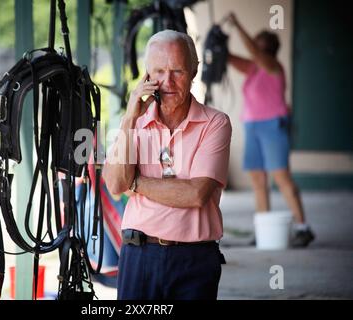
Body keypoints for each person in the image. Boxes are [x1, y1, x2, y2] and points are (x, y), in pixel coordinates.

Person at [103, 30, 232, 300]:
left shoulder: (215, 123)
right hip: (139, 256)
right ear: (147, 76)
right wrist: (129, 118)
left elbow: (196, 194)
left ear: (194, 71)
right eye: (159, 71)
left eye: (177, 71)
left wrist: (135, 182)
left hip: (194, 260)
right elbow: (116, 184)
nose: (168, 81)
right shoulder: (135, 121)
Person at [227, 13, 315, 247]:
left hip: (273, 125)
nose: (254, 46)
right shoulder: (253, 68)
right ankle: (263, 230)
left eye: (258, 42)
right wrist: (219, 41)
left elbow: (254, 53)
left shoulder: (273, 66)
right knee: (257, 179)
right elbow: (230, 58)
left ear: (268, 48)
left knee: (281, 177)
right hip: (252, 126)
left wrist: (237, 25)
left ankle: (303, 227)